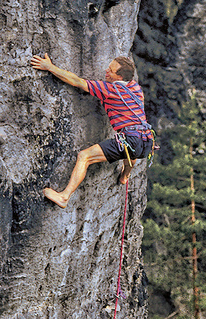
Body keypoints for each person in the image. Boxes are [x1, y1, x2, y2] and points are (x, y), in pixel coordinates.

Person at [30, 52, 155, 207]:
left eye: (111, 71)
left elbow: (76, 81)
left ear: (120, 78)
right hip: (147, 141)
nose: (106, 72)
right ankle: (125, 176)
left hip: (131, 139)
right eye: (108, 67)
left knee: (84, 156)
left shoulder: (109, 90)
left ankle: (64, 197)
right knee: (131, 150)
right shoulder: (135, 88)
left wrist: (49, 67)